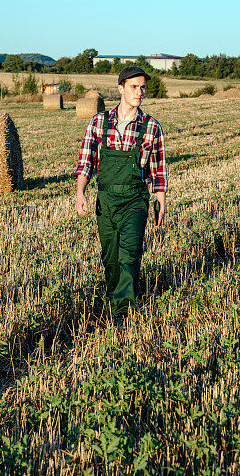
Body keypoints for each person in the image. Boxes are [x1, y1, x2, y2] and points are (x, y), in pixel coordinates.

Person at [75, 66, 167, 322]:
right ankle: (115, 299)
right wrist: (81, 193)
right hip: (105, 199)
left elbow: (158, 170)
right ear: (121, 88)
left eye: (143, 88)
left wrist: (161, 202)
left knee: (129, 255)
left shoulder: (151, 127)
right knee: (111, 258)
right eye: (134, 87)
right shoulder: (98, 122)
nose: (140, 92)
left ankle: (122, 317)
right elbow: (86, 162)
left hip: (136, 199)